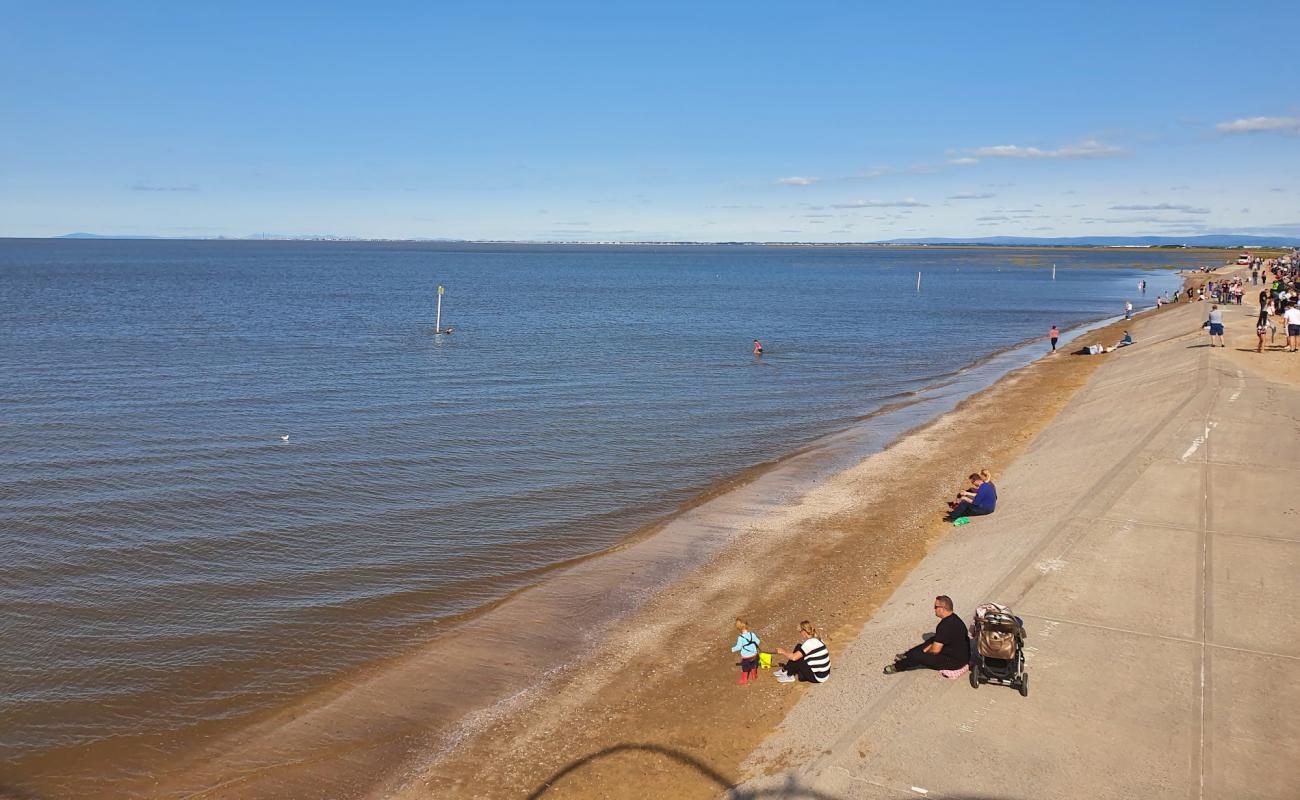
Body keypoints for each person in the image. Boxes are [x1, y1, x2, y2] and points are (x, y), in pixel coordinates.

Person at [883, 596, 970, 674]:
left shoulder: (944, 626)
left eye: (935, 607)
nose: (934, 609)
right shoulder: (955, 618)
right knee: (932, 639)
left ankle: (897, 667)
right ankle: (908, 655)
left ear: (942, 608)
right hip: (962, 655)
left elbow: (935, 650)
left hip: (954, 662)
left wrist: (925, 652)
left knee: (918, 656)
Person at [730, 618, 761, 685]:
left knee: (744, 668)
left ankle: (744, 680)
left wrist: (733, 649)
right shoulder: (752, 634)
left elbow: (738, 647)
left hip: (746, 657)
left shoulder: (740, 638)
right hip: (754, 654)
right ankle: (754, 676)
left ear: (738, 628)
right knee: (753, 665)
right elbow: (758, 642)